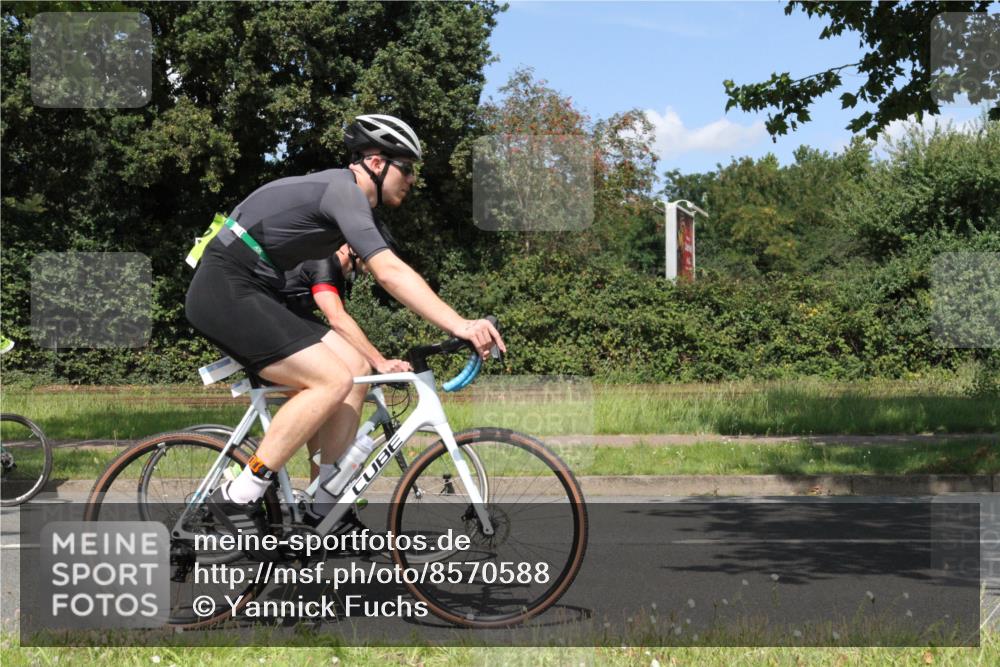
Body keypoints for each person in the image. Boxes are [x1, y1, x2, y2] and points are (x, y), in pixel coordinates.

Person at [184, 113, 505, 530]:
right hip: (226, 287)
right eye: (406, 168)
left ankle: (325, 500)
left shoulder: (350, 200)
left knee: (355, 369)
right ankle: (237, 495)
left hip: (254, 289)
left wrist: (447, 330)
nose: (411, 180)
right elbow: (390, 272)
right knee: (330, 380)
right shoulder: (343, 191)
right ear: (376, 162)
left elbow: (392, 272)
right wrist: (460, 324)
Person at [280, 242, 411, 508]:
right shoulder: (321, 259)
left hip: (283, 329)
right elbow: (336, 319)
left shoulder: (331, 271)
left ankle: (319, 498)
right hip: (270, 332)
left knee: (322, 410)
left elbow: (338, 331)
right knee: (347, 376)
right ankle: (325, 494)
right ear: (351, 248)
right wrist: (379, 361)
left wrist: (371, 357)